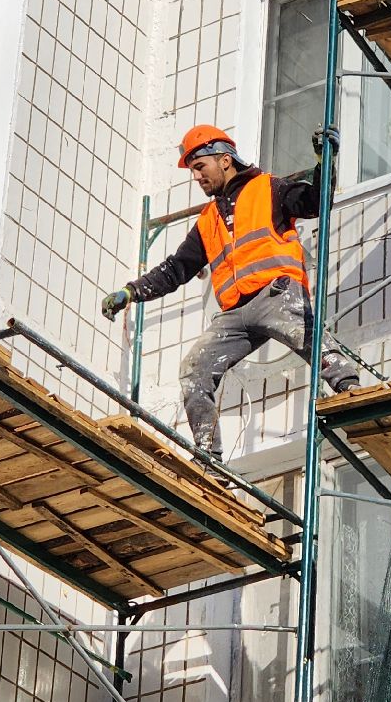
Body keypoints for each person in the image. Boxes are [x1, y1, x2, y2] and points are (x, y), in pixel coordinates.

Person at [101, 125, 359, 461]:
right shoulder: (209, 219)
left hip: (276, 294)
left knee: (309, 337)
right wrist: (131, 292)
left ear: (224, 160)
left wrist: (325, 162)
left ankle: (349, 388)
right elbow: (177, 267)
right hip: (235, 315)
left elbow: (315, 203)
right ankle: (208, 454)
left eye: (199, 167)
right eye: (193, 170)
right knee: (194, 370)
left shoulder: (268, 188)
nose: (197, 177)